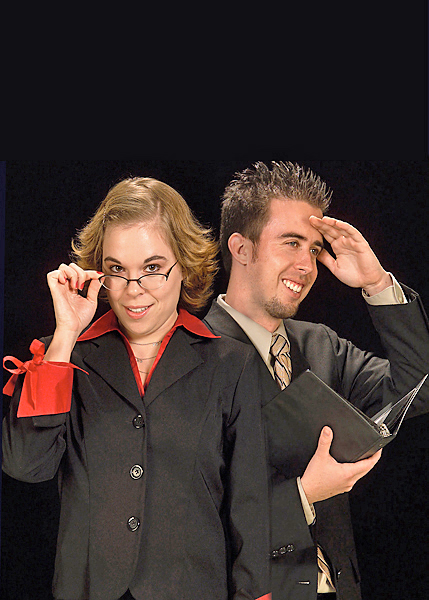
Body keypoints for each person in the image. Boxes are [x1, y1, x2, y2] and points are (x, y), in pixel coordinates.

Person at [2, 176, 272, 600]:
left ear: (184, 263)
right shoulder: (70, 358)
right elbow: (24, 465)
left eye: (152, 268)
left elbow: (251, 508)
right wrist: (65, 336)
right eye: (117, 271)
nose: (133, 290)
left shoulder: (231, 366)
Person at [204, 161, 429, 600]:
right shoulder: (193, 356)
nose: (306, 264)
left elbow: (419, 385)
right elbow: (193, 521)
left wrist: (377, 283)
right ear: (241, 248)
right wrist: (304, 495)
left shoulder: (322, 345)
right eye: (291, 242)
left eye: (313, 248)